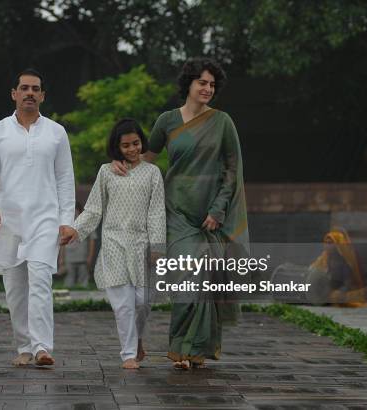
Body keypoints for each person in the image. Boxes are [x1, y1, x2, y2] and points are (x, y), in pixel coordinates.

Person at [112, 58, 249, 369]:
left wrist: (218, 208)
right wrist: (120, 163)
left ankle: (191, 349)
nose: (207, 88)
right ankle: (183, 349)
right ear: (188, 83)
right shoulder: (168, 121)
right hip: (174, 211)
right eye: (202, 82)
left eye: (212, 84)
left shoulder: (223, 122)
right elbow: (145, 158)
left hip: (209, 215)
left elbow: (232, 170)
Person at [0, 68, 75, 367]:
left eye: (36, 89)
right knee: (16, 286)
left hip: (45, 217)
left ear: (42, 96)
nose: (30, 93)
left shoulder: (56, 132)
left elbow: (65, 178)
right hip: (9, 219)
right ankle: (24, 346)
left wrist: (66, 218)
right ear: (14, 93)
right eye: (24, 88)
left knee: (41, 280)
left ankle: (43, 347)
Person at [61, 118, 166, 369]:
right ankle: (128, 354)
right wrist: (75, 229)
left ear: (142, 142)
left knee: (143, 300)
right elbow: (94, 209)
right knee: (123, 305)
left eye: (136, 143)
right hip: (113, 243)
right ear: (117, 147)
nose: (132, 149)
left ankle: (137, 338)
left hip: (142, 244)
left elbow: (157, 212)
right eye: (126, 145)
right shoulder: (107, 171)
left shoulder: (153, 173)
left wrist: (158, 246)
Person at [310, 228, 367, 307]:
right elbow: (314, 271)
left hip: (342, 291)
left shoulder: (344, 260)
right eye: (326, 243)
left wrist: (339, 292)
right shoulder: (324, 257)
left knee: (336, 297)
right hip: (327, 289)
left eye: (330, 243)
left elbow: (348, 282)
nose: (327, 245)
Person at [62, 201, 97, 288]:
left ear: (79, 210)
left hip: (82, 257)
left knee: (84, 281)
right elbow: (62, 241)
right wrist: (62, 258)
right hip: (69, 257)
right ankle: (68, 299)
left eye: (75, 211)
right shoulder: (65, 223)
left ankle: (84, 298)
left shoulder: (86, 222)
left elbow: (92, 240)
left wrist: (90, 257)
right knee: (69, 281)